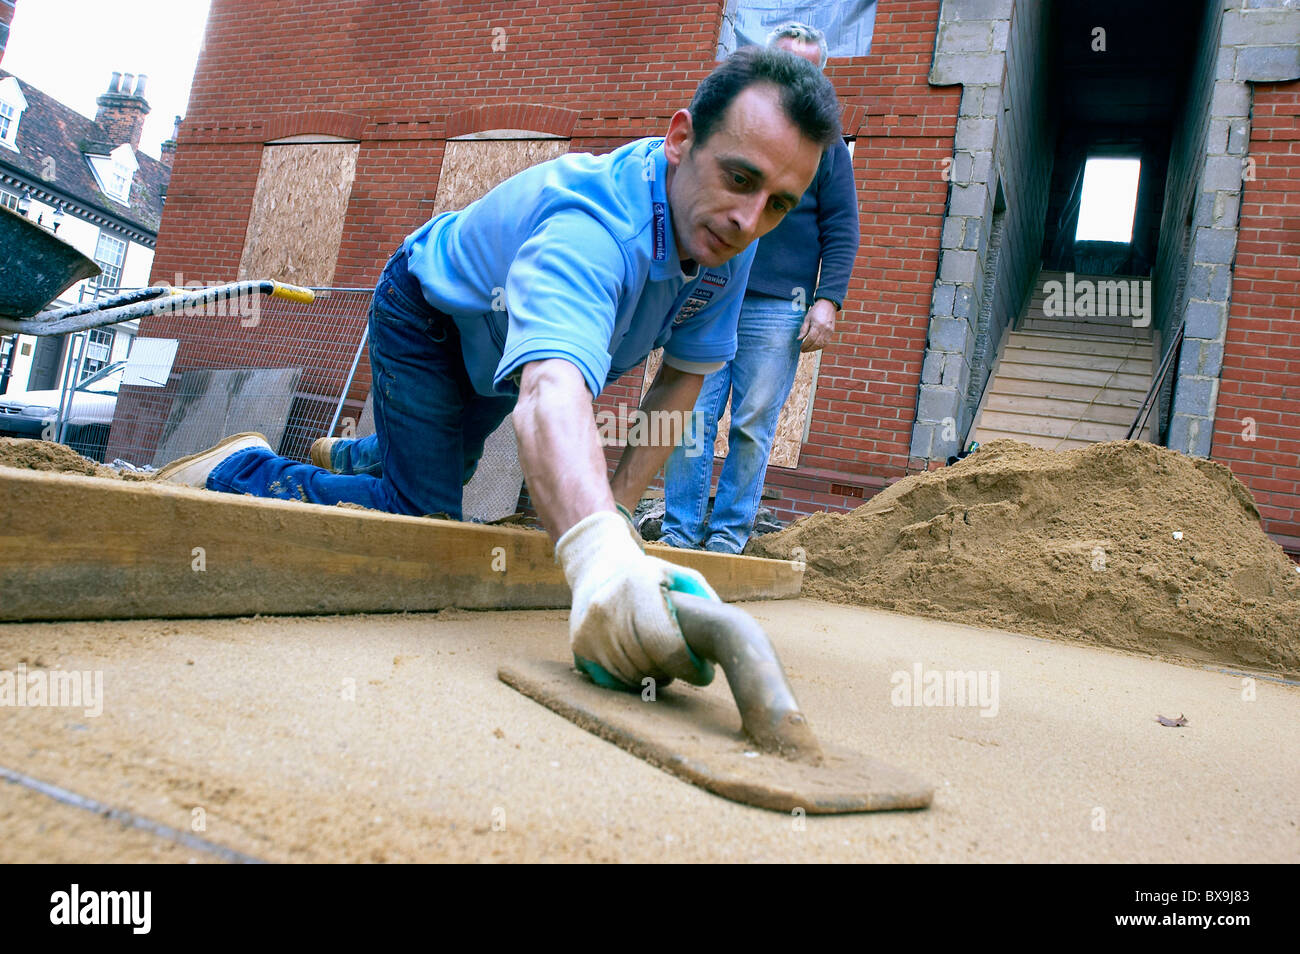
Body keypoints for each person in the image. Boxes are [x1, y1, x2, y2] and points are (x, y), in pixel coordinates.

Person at [156, 46, 841, 691]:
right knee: (419, 526)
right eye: (741, 178)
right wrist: (599, 559)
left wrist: (623, 515)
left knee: (441, 468)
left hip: (497, 356)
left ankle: (365, 454)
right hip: (429, 315)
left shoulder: (732, 234)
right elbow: (549, 391)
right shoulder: (596, 226)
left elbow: (681, 379)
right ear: (681, 140)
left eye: (778, 203)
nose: (751, 218)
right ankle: (235, 469)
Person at [659, 23, 860, 554]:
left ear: (821, 75)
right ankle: (679, 533)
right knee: (690, 418)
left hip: (778, 306)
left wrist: (827, 299)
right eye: (787, 65)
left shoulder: (827, 149)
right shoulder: (738, 125)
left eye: (808, 69)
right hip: (712, 291)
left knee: (751, 424)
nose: (797, 78)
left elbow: (841, 227)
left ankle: (727, 536)